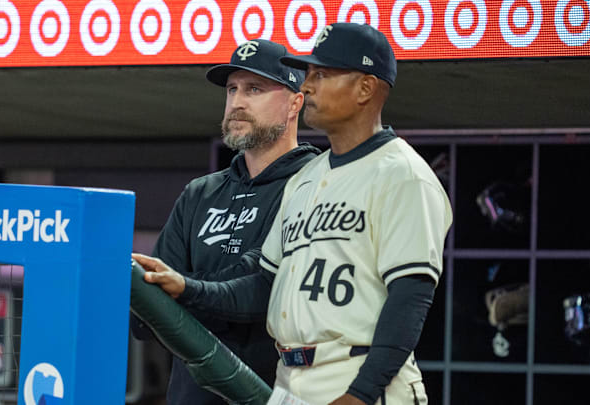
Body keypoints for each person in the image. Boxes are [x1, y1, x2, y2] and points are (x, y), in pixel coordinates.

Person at [133, 22, 452, 405]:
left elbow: (410, 300)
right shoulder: (308, 180)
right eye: (232, 89)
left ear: (365, 87)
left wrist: (361, 394)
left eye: (322, 75)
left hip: (356, 375)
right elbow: (265, 286)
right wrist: (188, 288)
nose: (309, 85)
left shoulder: (404, 174)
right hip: (292, 381)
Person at [132, 39, 320, 405]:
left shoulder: (315, 184)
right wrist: (182, 292)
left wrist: (185, 288)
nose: (237, 102)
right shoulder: (200, 193)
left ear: (295, 102)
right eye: (232, 89)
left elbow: (266, 296)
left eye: (255, 89)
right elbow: (145, 316)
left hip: (274, 394)